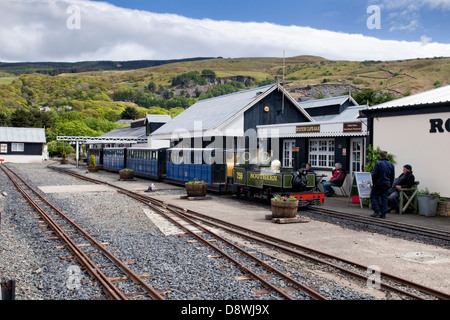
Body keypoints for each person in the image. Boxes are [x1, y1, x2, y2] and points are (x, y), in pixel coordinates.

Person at [370, 151, 395, 218]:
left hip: (378, 183)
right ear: (386, 156)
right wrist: (390, 184)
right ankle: (383, 213)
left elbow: (374, 174)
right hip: (387, 184)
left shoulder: (378, 163)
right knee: (384, 198)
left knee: (373, 197)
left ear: (380, 156)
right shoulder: (391, 164)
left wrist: (374, 182)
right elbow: (392, 175)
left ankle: (377, 211)